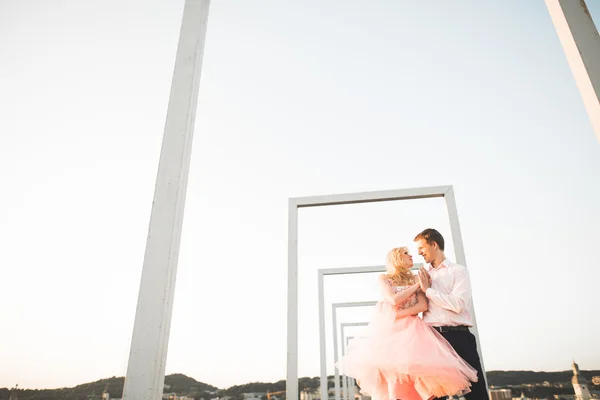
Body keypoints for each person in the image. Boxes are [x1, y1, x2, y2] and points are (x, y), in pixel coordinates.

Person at [336, 247, 478, 400]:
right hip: (391, 333)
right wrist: (418, 286)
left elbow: (422, 306)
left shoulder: (417, 277)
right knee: (395, 376)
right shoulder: (384, 278)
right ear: (396, 258)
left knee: (422, 375)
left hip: (415, 330)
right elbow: (394, 299)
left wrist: (395, 314)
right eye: (406, 254)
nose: (412, 256)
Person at [415, 228, 489, 400]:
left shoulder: (458, 271)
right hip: (433, 339)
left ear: (434, 244)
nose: (418, 252)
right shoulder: (422, 275)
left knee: (476, 392)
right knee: (435, 394)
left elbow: (458, 305)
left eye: (421, 248)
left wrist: (428, 291)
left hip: (460, 337)